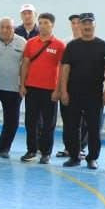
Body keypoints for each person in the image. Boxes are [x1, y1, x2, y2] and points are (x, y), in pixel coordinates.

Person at [59, 12, 105, 169]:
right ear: (79, 26)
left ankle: (92, 158)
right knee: (72, 126)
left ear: (94, 25)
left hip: (94, 94)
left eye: (90, 23)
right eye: (84, 23)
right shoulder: (72, 46)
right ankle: (74, 156)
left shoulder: (103, 46)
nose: (87, 26)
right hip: (73, 93)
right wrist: (63, 91)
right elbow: (65, 69)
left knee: (94, 127)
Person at [18, 12, 63, 163]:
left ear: (52, 25)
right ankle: (31, 150)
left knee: (48, 123)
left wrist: (58, 89)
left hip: (50, 90)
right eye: (41, 23)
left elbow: (62, 69)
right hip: (32, 88)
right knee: (30, 121)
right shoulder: (31, 43)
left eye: (46, 23)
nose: (43, 26)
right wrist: (22, 84)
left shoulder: (59, 45)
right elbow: (25, 64)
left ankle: (45, 153)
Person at [0, 16, 24, 158]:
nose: (5, 30)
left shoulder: (23, 43)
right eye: (2, 27)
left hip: (14, 89)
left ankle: (3, 148)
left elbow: (26, 65)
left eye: (8, 27)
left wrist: (22, 84)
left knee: (12, 122)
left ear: (14, 29)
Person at [57, 12, 87, 159]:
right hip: (67, 86)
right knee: (67, 118)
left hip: (84, 88)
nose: (75, 26)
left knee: (83, 120)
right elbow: (60, 66)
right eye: (73, 23)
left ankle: (80, 148)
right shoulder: (65, 43)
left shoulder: (90, 42)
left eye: (78, 23)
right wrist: (60, 88)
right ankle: (68, 147)